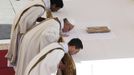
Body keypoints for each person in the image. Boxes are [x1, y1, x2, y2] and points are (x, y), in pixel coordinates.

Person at [5, 0, 64, 66]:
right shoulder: (40, 8)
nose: (56, 11)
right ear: (54, 5)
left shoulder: (40, 2)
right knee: (19, 47)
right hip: (21, 27)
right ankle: (18, 63)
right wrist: (31, 32)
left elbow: (33, 17)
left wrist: (46, 21)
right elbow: (27, 20)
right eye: (57, 9)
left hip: (18, 21)